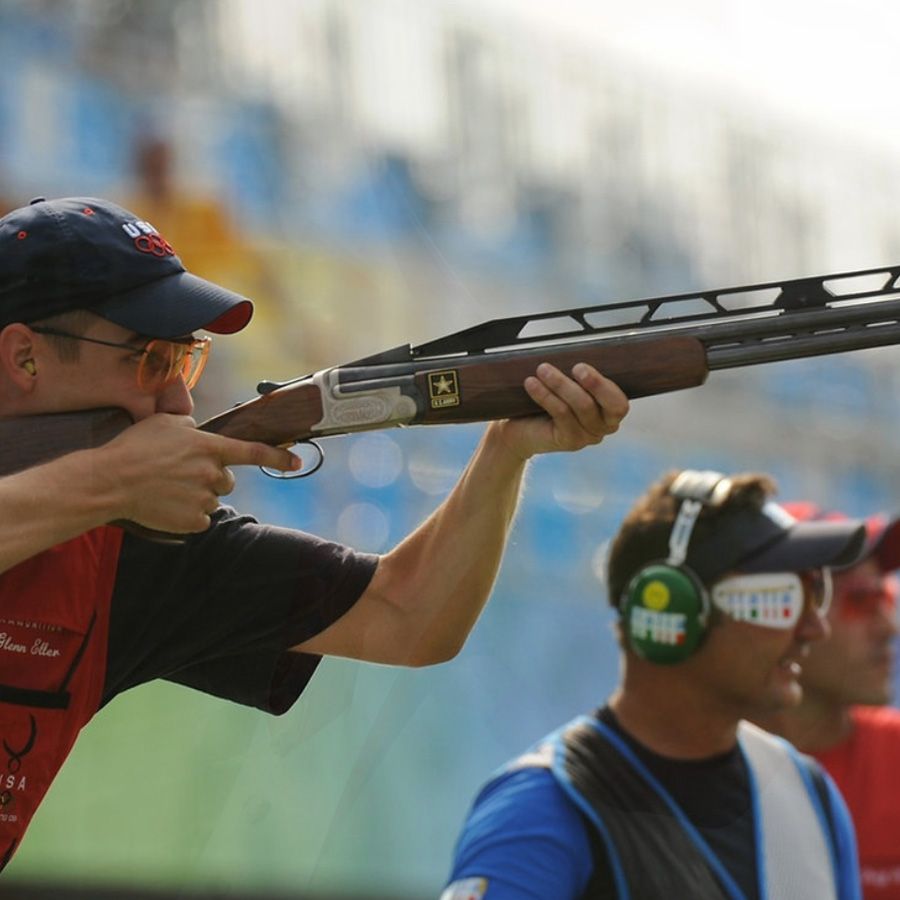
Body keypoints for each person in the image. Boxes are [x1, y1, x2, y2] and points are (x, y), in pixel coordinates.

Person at [0, 195, 630, 870]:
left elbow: (410, 617)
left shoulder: (132, 543)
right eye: (150, 359)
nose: (180, 402)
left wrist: (507, 449)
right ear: (26, 359)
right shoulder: (118, 494)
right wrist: (110, 481)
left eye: (186, 361)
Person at [443, 469, 866, 900]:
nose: (814, 627)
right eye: (781, 600)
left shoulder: (810, 796)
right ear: (673, 609)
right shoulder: (539, 809)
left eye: (817, 593)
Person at [755, 502, 900, 900]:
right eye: (862, 600)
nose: (890, 627)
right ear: (779, 609)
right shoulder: (691, 767)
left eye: (887, 597)